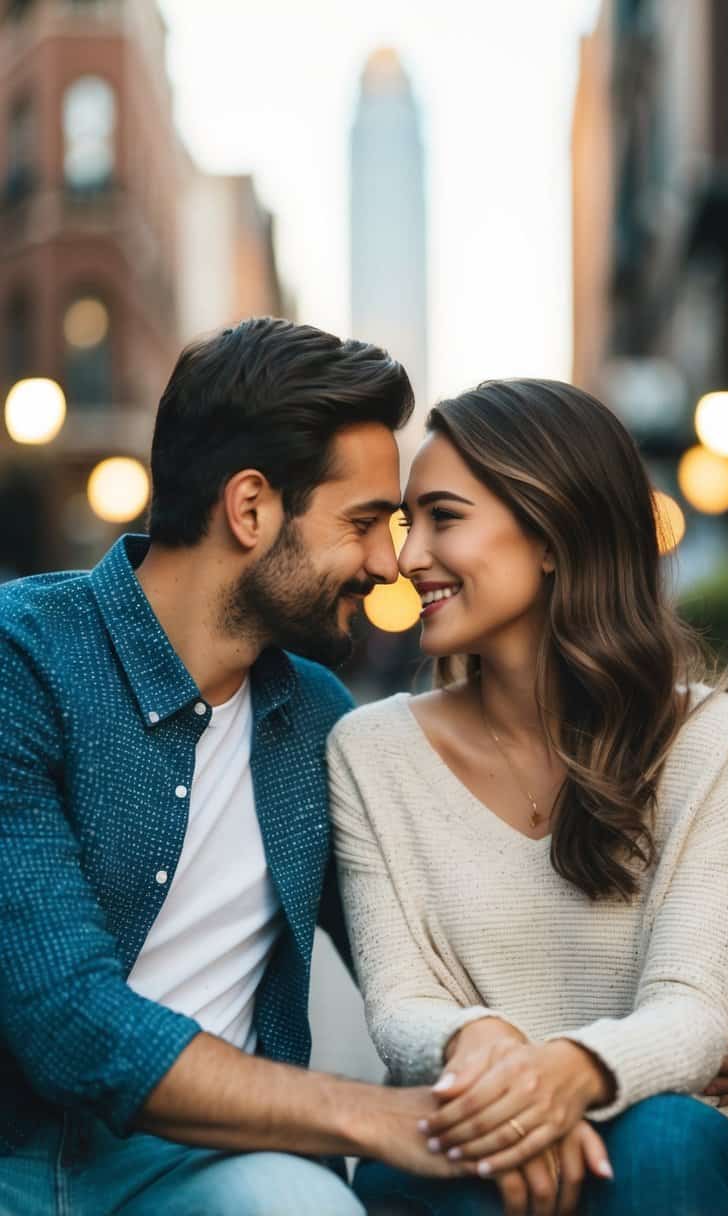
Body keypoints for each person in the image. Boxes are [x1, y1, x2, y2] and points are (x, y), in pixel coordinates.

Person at [0, 318, 464, 1215]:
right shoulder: (24, 662)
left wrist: (632, 1027)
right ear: (249, 508)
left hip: (208, 1169)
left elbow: (423, 958)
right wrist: (368, 1117)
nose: (388, 563)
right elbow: (67, 1020)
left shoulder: (323, 718)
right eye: (364, 522)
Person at [327, 378, 728, 1216]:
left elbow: (694, 1017)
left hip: (692, 1152)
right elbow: (402, 1010)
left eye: (444, 517)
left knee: (654, 1143)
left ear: (551, 533)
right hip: (478, 1127)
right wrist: (507, 1078)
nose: (407, 559)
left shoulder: (715, 741)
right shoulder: (369, 751)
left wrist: (566, 1078)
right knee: (426, 1171)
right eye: (408, 524)